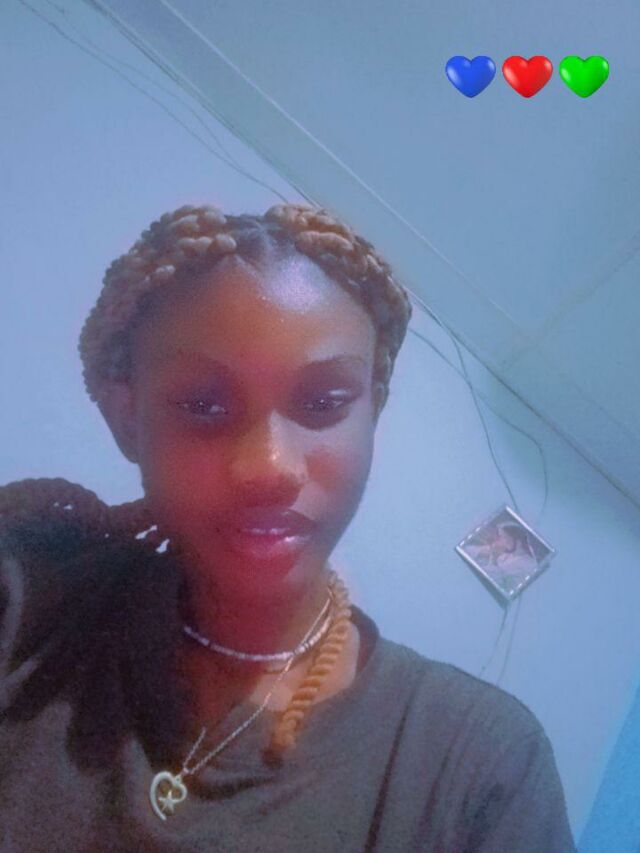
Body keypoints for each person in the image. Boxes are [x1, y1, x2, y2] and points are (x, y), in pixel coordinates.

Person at [0, 202, 576, 851]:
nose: (269, 468)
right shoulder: (28, 604)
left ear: (373, 414)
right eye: (203, 404)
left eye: (323, 402)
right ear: (127, 420)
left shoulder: (480, 766)